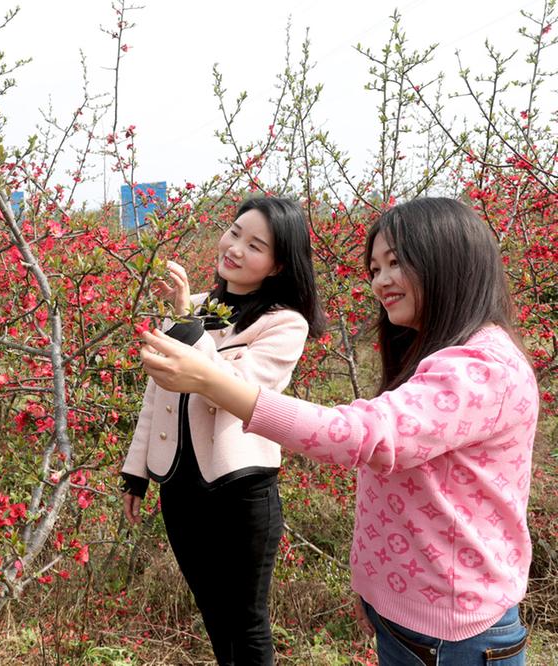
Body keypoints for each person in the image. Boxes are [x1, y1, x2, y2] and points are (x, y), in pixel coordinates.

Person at [140, 198, 537, 664]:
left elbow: (358, 435)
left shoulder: (481, 367)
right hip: (413, 623)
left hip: (455, 639)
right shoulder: (437, 355)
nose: (381, 281)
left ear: (448, 258)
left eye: (397, 262)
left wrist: (209, 380)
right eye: (375, 267)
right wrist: (374, 588)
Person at [122, 197, 325, 664]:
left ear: (278, 265)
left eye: (256, 245)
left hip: (240, 493)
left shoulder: (282, 323)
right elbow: (157, 396)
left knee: (247, 623)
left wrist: (187, 324)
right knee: (213, 614)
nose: (234, 248)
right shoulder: (190, 308)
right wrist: (136, 471)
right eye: (234, 232)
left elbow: (239, 391)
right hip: (179, 488)